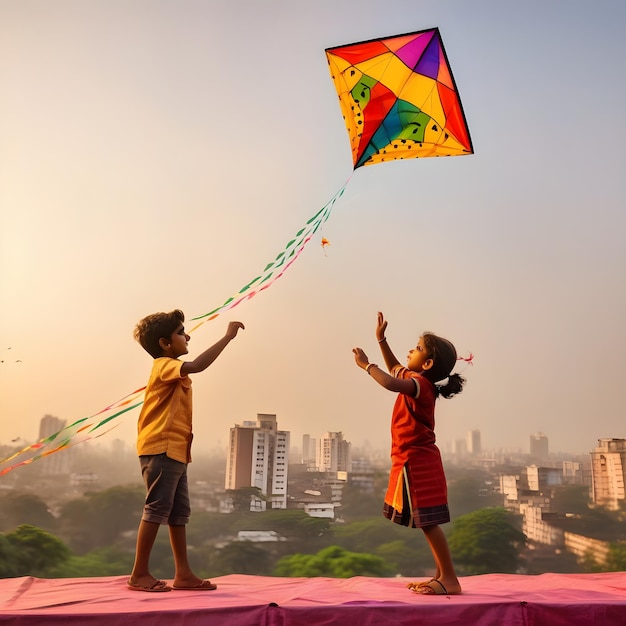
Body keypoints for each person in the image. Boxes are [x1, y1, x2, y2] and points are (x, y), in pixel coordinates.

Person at [127, 309, 244, 592]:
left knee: (179, 513)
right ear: (165, 344)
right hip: (161, 447)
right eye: (181, 332)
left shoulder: (170, 368)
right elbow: (198, 365)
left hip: (177, 450)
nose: (187, 335)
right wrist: (227, 337)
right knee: (156, 509)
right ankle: (138, 574)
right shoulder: (163, 365)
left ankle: (183, 574)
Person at [352, 312, 466, 596]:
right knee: (427, 521)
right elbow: (395, 369)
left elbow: (390, 382)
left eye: (417, 349)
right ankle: (441, 576)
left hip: (418, 460)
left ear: (427, 363)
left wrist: (366, 366)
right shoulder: (416, 379)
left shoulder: (422, 386)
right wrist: (381, 339)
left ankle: (450, 579)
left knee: (428, 521)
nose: (410, 351)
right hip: (411, 458)